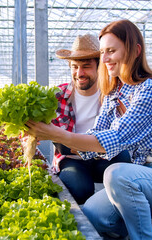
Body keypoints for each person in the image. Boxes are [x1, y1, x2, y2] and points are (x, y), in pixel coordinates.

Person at [26, 19, 152, 239]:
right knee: (88, 217)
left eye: (110, 51)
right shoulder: (115, 93)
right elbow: (94, 137)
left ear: (135, 51)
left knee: (115, 173)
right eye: (102, 52)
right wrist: (45, 134)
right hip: (138, 179)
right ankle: (125, 228)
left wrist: (58, 134)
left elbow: (116, 138)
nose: (104, 58)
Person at [51, 33, 131, 205]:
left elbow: (121, 139)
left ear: (100, 67)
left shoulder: (114, 95)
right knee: (78, 188)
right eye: (74, 67)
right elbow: (61, 146)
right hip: (72, 160)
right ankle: (90, 216)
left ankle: (113, 213)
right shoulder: (57, 96)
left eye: (86, 66)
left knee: (125, 161)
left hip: (103, 158)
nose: (79, 73)